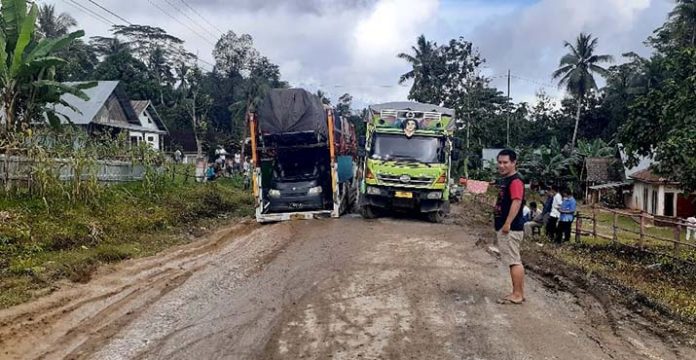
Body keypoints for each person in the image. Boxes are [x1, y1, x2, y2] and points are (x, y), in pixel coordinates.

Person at [493, 149, 526, 305]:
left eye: (505, 162)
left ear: (514, 163)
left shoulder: (515, 181)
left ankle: (518, 294)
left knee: (514, 261)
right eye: (499, 162)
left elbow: (517, 201)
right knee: (513, 260)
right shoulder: (506, 180)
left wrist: (507, 223)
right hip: (506, 226)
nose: (502, 165)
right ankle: (516, 292)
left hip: (511, 228)